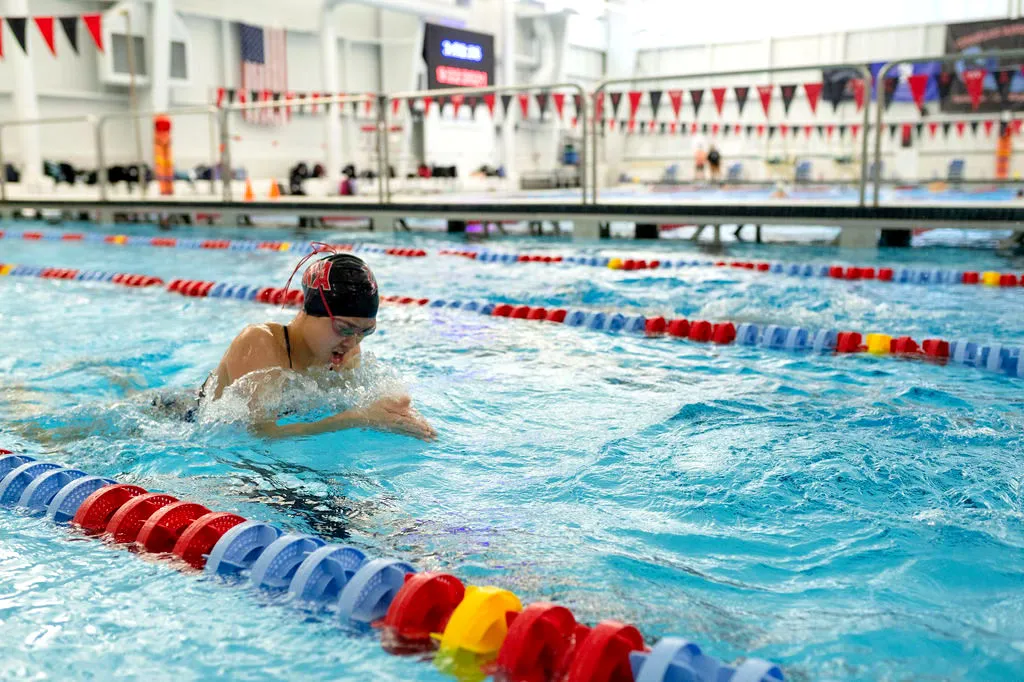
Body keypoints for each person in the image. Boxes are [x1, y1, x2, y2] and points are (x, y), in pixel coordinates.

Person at [200, 248, 436, 441]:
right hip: (187, 418)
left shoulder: (348, 350)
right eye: (343, 328)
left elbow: (355, 405)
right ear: (309, 312)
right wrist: (358, 418)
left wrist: (393, 414)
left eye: (365, 332)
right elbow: (260, 435)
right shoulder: (260, 342)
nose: (352, 342)